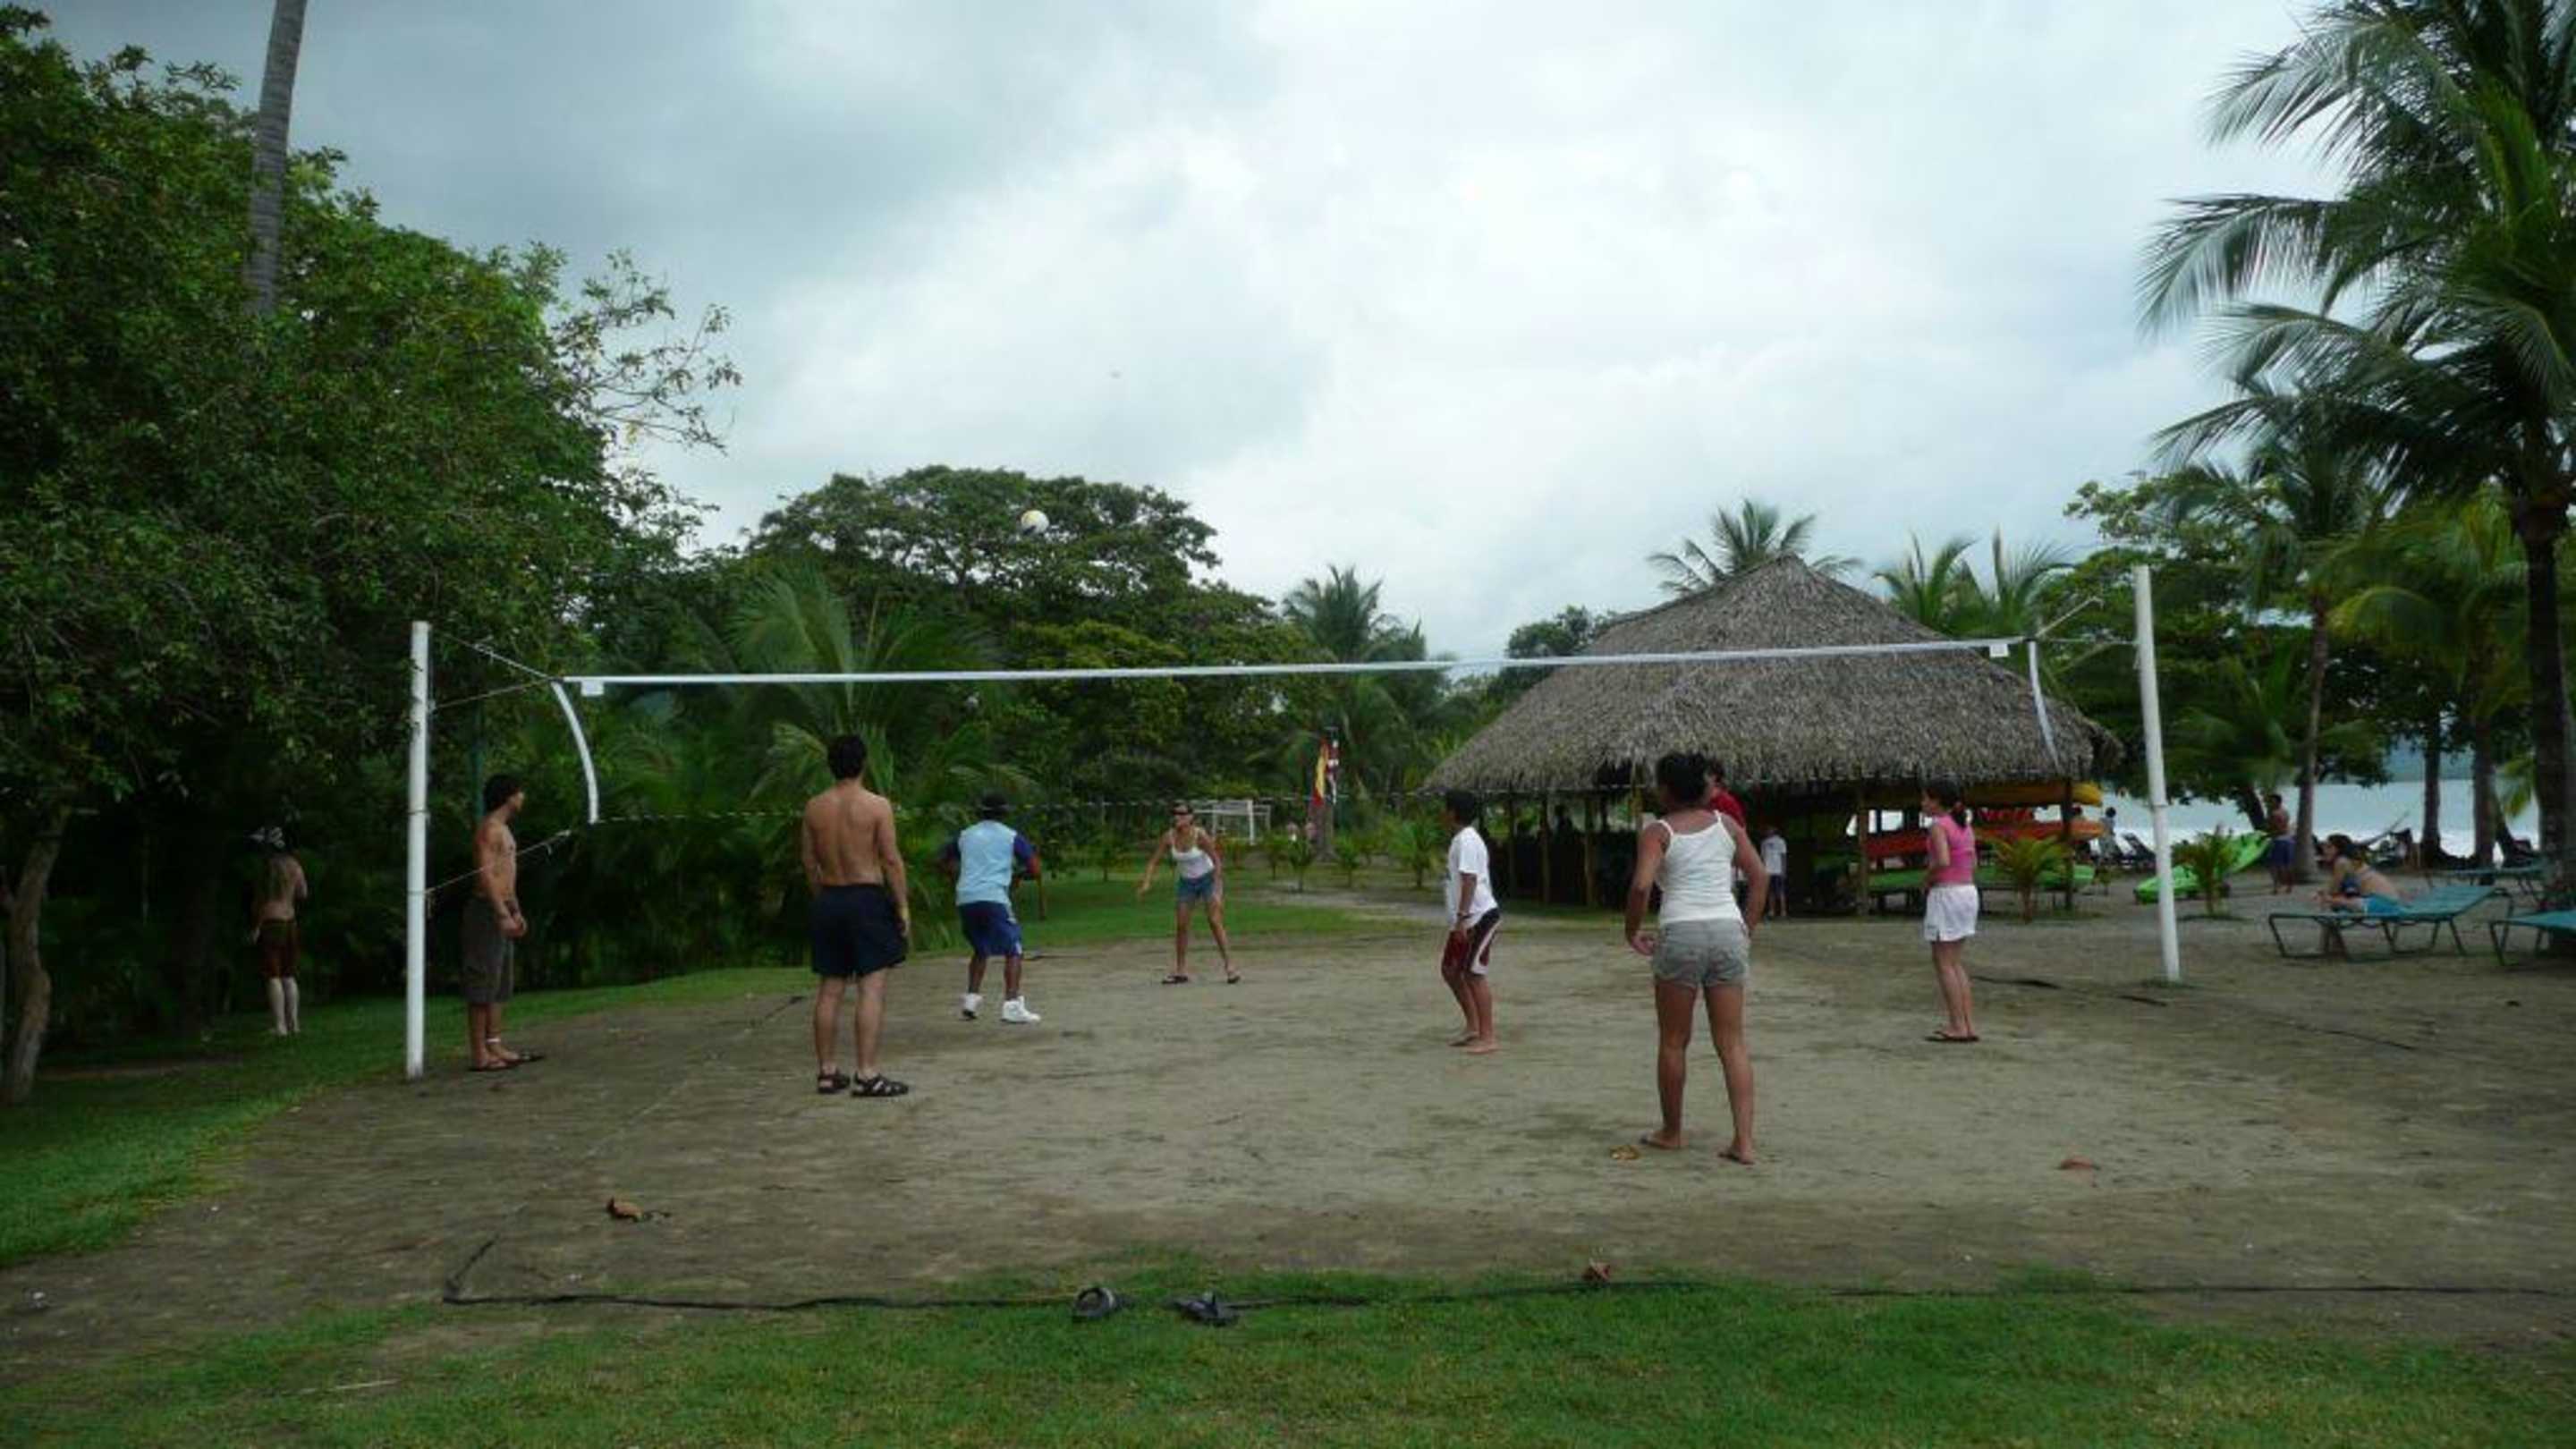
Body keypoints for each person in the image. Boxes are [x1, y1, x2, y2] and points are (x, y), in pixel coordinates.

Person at [1626, 752, 1764, 1162]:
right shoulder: (1727, 825)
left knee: (1674, 1040)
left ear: (1665, 790)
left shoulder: (1658, 832)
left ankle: (1672, 1132)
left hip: (1681, 931)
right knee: (1732, 1043)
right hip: (1726, 929)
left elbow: (1641, 886)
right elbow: (1759, 877)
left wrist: (1631, 930)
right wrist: (1745, 929)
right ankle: (1744, 1141)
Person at [804, 734, 912, 1097]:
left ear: (830, 766)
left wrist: (822, 898)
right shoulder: (877, 806)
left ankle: (827, 1071)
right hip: (865, 897)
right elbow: (891, 859)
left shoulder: (814, 807)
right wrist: (902, 905)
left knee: (830, 987)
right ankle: (867, 1074)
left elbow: (809, 862)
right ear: (864, 763)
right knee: (871, 986)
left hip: (830, 897)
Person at [936, 792, 1042, 1025]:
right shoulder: (1010, 836)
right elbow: (1035, 869)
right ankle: (1012, 1005)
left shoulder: (965, 835)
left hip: (966, 897)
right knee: (1014, 948)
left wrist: (957, 877)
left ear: (980, 812)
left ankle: (971, 1000)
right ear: (1004, 813)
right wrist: (1016, 877)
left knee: (981, 948)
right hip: (993, 897)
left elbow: (941, 860)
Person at [465, 775, 542, 1072]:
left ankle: (494, 1044)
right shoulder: (489, 829)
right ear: (508, 796)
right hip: (486, 911)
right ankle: (479, 1054)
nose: (523, 797)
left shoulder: (505, 830)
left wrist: (515, 910)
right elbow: (486, 875)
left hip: (504, 908)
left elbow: (507, 874)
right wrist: (500, 912)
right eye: (520, 792)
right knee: (482, 981)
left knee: (499, 984)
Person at [1137, 801, 1238, 984]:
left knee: (1214, 921)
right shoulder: (1169, 837)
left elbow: (1217, 861)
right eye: (1175, 813)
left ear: (1191, 817)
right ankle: (1181, 971)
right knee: (1181, 925)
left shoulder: (1200, 835)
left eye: (1182, 814)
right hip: (1186, 883)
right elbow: (1153, 862)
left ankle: (1230, 967)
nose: (1178, 817)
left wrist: (1217, 889)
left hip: (1208, 879)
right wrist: (1146, 883)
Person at [1437, 789, 1503, 1055]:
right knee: (1450, 970)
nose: (1441, 813)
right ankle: (1473, 1026)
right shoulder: (1460, 839)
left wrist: (1463, 918)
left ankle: (1488, 1037)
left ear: (1453, 812)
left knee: (1474, 974)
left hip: (1479, 916)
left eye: (1444, 808)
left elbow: (1470, 879)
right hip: (1464, 920)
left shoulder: (1467, 840)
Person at [1921, 779, 1980, 1044]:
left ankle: (1957, 1025)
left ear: (1936, 801)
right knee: (1955, 962)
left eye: (1926, 798)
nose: (1923, 803)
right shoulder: (1964, 825)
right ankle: (1967, 1024)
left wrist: (1927, 878)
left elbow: (1943, 860)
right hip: (1967, 891)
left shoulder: (1939, 826)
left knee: (1943, 962)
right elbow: (1973, 861)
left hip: (1947, 893)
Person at [248, 827, 307, 1037]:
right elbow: (303, 893)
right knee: (289, 975)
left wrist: (256, 927)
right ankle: (294, 1025)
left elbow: (262, 902)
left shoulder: (267, 868)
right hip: (291, 922)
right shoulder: (294, 865)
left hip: (271, 924)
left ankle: (280, 1026)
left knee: (273, 975)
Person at [2317, 834, 2407, 913]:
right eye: (2324, 846)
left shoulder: (2341, 862)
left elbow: (2334, 890)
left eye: (2329, 847)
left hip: (2380, 901)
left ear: (2339, 849)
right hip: (2389, 900)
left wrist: (2325, 896)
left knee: (2335, 901)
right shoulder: (2351, 861)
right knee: (2337, 901)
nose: (2325, 850)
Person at [2264, 792, 2296, 894]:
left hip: (2279, 840)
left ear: (2277, 802)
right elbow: (2285, 827)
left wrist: (2266, 836)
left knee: (2274, 865)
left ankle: (2276, 887)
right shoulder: (2285, 812)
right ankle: (2289, 886)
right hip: (2289, 839)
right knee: (2288, 865)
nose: (2269, 804)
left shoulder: (2274, 814)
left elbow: (2276, 829)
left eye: (2270, 802)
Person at [1757, 823, 1789, 919]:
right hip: (1768, 871)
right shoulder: (1764, 842)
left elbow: (1783, 856)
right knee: (1770, 892)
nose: (1768, 831)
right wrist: (1762, 871)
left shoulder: (1781, 841)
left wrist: (1783, 870)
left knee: (1781, 892)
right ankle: (1771, 911)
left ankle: (1783, 911)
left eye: (1770, 829)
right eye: (1767, 829)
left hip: (1778, 870)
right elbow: (1762, 858)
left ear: (1775, 830)